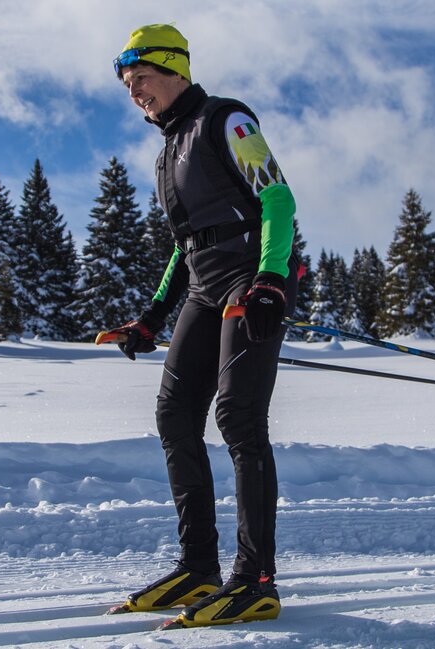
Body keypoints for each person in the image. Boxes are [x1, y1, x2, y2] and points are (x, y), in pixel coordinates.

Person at [99, 23, 299, 629]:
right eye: (128, 85)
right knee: (174, 414)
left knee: (238, 417)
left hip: (250, 281)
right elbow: (185, 246)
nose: (136, 93)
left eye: (143, 79)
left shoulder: (225, 121)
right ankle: (198, 567)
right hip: (206, 287)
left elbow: (277, 201)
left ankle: (255, 578)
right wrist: (151, 317)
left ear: (175, 69)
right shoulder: (169, 148)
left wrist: (269, 279)